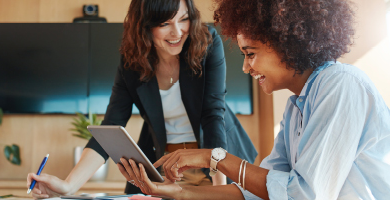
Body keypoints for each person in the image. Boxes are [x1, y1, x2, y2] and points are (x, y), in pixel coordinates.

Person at [118, 0, 390, 199]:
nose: (246, 67)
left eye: (251, 53)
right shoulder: (296, 107)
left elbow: (302, 195)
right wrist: (177, 193)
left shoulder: (340, 84)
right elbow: (261, 191)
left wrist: (213, 157)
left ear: (287, 42)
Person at [26, 0, 257, 198]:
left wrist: (220, 192)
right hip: (166, 169)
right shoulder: (132, 61)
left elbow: (213, 115)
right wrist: (68, 186)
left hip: (216, 163)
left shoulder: (207, 43)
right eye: (165, 23)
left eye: (184, 19)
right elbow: (110, 127)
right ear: (145, 26)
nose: (177, 32)